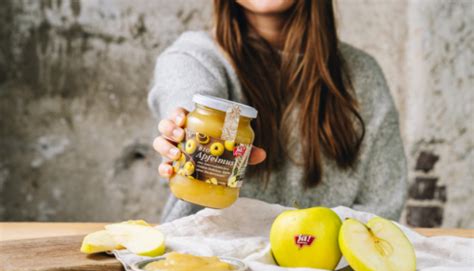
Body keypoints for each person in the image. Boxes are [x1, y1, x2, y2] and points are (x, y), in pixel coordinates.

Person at [149, 0, 407, 222]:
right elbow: (193, 99)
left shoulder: (363, 75)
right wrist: (181, 131)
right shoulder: (193, 57)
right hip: (201, 266)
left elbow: (382, 207)